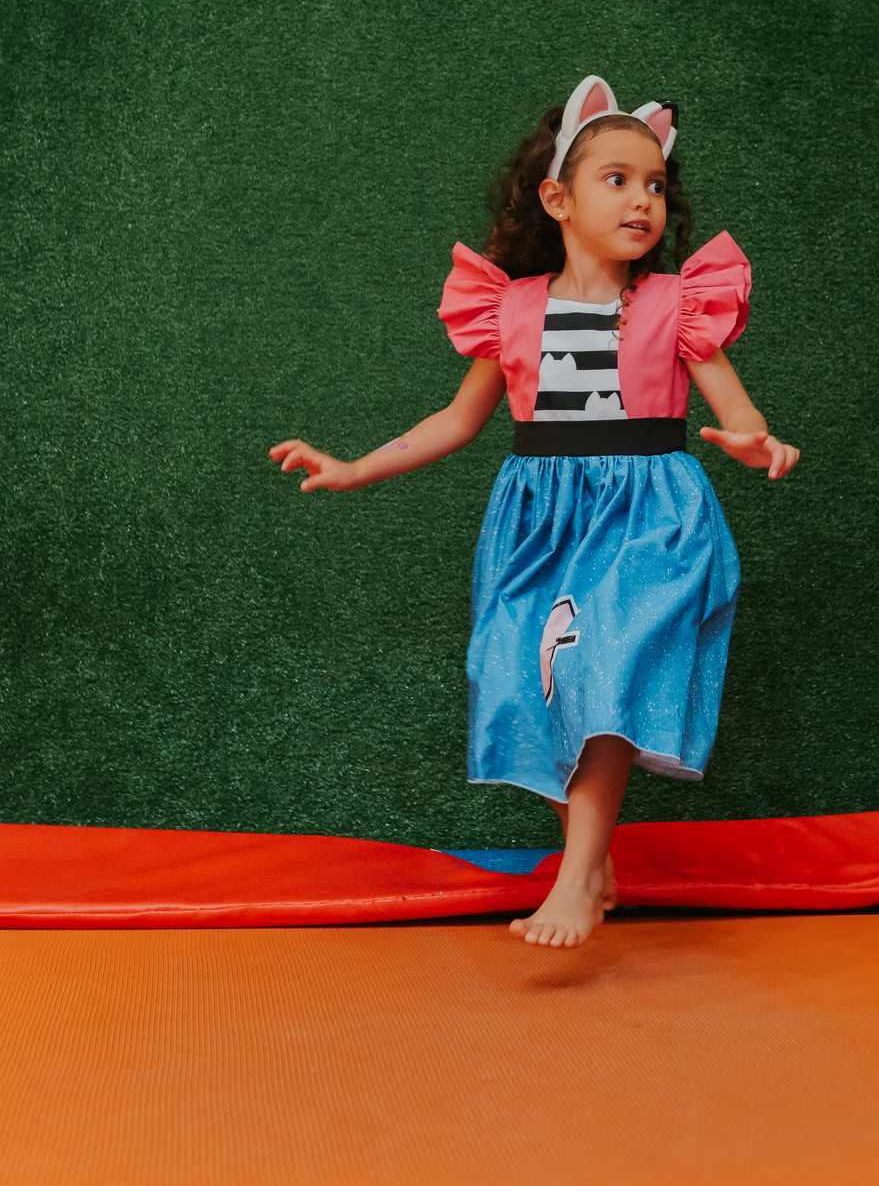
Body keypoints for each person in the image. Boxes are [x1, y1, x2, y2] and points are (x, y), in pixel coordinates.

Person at [271, 75, 799, 948]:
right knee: (538, 676)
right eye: (617, 180)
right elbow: (457, 419)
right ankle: (592, 862)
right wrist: (357, 466)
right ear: (557, 197)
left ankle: (579, 869)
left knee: (607, 670)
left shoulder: (676, 303)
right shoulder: (511, 310)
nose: (642, 200)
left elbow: (733, 407)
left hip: (648, 517)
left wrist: (753, 438)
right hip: (541, 517)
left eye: (655, 185)